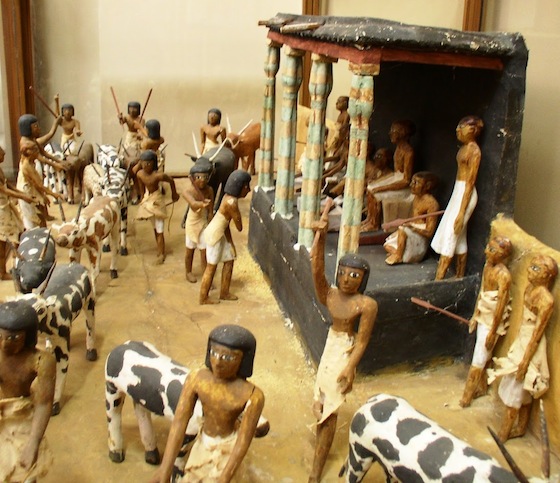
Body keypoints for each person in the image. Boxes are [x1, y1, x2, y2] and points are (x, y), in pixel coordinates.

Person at [309, 208, 378, 483]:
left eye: (355, 276)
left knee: (330, 406)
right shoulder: (331, 294)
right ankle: (320, 438)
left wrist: (350, 367)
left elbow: (362, 340)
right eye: (344, 273)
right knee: (320, 398)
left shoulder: (366, 305)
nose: (348, 279)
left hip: (345, 349)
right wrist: (321, 236)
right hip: (330, 345)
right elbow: (315, 267)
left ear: (363, 280)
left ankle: (317, 468)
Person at [150, 324, 264, 483]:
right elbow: (179, 422)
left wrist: (225, 477)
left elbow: (243, 442)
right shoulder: (197, 379)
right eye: (213, 352)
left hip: (227, 448)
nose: (217, 362)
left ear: (243, 360)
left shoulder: (253, 395)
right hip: (202, 444)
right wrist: (165, 467)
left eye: (228, 357)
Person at [488, 254, 557, 442]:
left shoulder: (546, 300)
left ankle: (505, 432)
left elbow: (537, 333)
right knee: (518, 389)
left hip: (530, 345)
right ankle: (519, 427)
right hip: (522, 339)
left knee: (517, 390)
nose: (529, 272)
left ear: (548, 276)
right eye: (531, 267)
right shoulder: (529, 288)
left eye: (536, 269)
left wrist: (526, 361)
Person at [0, 300, 56, 482]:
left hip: (23, 414)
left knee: (25, 472)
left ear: (27, 336)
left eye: (13, 338)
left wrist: (33, 442)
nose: (4, 345)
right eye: (0, 336)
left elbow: (44, 402)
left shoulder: (40, 360)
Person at [459, 236, 512, 408]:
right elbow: (482, 291)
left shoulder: (504, 276)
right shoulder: (487, 266)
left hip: (492, 321)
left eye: (493, 250)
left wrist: (492, 331)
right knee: (482, 355)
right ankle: (480, 387)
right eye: (488, 247)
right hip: (483, 314)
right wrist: (475, 315)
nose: (486, 252)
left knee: (479, 359)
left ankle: (466, 396)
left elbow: (501, 305)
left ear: (503, 254)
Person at [431, 116, 483, 280]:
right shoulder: (464, 148)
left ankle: (439, 278)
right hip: (458, 190)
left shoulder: (474, 151)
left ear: (473, 130)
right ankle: (460, 274)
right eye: (458, 128)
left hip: (465, 193)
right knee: (459, 236)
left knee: (451, 233)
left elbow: (470, 182)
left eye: (462, 128)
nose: (458, 131)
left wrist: (461, 212)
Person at [199, 170, 251, 304]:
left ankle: (224, 292)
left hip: (220, 233)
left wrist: (230, 242)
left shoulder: (227, 197)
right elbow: (239, 227)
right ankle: (203, 297)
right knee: (211, 267)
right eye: (246, 186)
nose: (248, 190)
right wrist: (238, 217)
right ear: (241, 186)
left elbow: (226, 224)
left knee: (229, 260)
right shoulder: (231, 203)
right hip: (215, 235)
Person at [361, 120, 415, 232]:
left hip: (404, 188)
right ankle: (370, 219)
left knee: (375, 193)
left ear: (402, 133)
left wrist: (382, 187)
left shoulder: (408, 152)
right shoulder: (399, 148)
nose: (390, 134)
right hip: (396, 178)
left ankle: (374, 224)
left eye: (393, 131)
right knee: (370, 188)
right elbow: (395, 175)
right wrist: (378, 183)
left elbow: (406, 180)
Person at [383, 171, 440, 265]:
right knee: (387, 245)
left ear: (427, 186)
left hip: (420, 237)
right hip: (412, 231)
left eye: (416, 183)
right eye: (412, 182)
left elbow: (429, 232)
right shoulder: (416, 197)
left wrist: (412, 228)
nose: (411, 185)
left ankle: (399, 256)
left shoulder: (432, 204)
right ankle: (401, 254)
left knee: (402, 229)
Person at [135, 150, 179, 264]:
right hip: (148, 200)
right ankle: (160, 249)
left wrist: (174, 194)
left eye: (148, 163)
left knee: (159, 230)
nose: (145, 166)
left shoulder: (158, 175)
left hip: (157, 201)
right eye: (143, 163)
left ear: (153, 163)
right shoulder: (140, 174)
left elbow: (171, 180)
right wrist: (142, 197)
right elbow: (139, 182)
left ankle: (161, 253)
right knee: (155, 228)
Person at [0, 146, 34, 280]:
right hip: (1, 208)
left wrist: (21, 193)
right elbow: (4, 190)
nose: (4, 154)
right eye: (1, 153)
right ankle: (2, 272)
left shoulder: (0, 170)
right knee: (2, 241)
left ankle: (15, 259)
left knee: (17, 230)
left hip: (5, 205)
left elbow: (7, 186)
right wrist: (23, 197)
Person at [17, 139, 64, 229]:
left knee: (41, 219)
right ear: (28, 152)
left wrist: (43, 195)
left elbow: (36, 184)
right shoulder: (27, 165)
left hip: (32, 191)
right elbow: (38, 185)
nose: (37, 152)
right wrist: (53, 194)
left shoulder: (31, 162)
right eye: (34, 150)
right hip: (27, 194)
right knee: (32, 222)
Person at [182, 158, 214, 283]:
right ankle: (188, 272)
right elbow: (193, 204)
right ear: (193, 178)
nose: (203, 180)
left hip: (203, 221)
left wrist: (211, 218)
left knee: (204, 250)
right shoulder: (188, 191)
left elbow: (211, 209)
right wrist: (202, 204)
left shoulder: (209, 190)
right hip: (192, 221)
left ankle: (206, 275)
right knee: (190, 250)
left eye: (205, 177)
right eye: (199, 177)